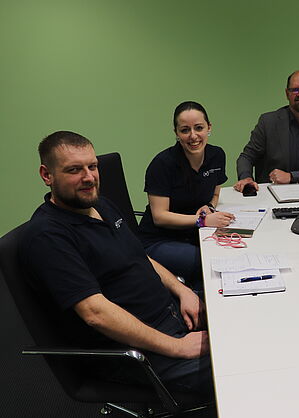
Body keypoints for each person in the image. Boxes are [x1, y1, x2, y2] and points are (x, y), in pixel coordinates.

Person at [19, 131, 213, 397]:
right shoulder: (48, 236)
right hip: (139, 351)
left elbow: (139, 257)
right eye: (74, 170)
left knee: (253, 316)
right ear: (46, 175)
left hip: (173, 313)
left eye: (92, 166)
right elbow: (95, 313)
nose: (88, 177)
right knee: (245, 366)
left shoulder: (102, 205)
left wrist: (183, 291)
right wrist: (177, 347)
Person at [138, 101, 233, 289]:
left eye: (199, 128)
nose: (193, 136)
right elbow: (160, 216)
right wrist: (202, 221)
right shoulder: (162, 164)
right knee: (207, 264)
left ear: (209, 128)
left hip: (193, 234)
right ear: (176, 133)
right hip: (158, 240)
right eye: (185, 130)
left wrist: (210, 207)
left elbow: (215, 191)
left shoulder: (217, 155)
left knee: (227, 254)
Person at [234, 70, 299, 192]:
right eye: (295, 90)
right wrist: (246, 178)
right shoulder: (268, 122)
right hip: (272, 193)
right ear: (287, 93)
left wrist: (292, 177)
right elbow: (246, 157)